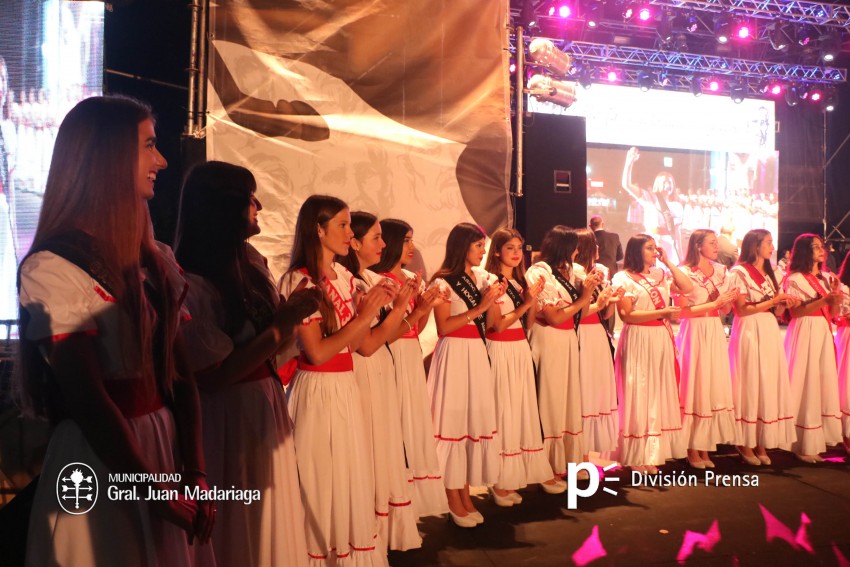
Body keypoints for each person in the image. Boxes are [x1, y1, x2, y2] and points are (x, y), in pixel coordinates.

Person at [16, 96, 214, 566]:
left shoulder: (153, 257)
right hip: (101, 457)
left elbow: (182, 380)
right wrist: (151, 491)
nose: (162, 161)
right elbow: (89, 401)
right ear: (108, 156)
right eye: (149, 145)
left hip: (156, 447)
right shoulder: (54, 267)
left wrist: (196, 471)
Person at [174, 161, 319, 567]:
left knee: (271, 519)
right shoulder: (194, 281)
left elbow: (273, 342)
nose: (259, 205)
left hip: (263, 403)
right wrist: (285, 322)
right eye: (249, 198)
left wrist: (289, 318)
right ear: (224, 207)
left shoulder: (251, 262)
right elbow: (215, 373)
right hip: (229, 416)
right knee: (241, 525)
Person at [279, 195, 392, 566]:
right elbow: (317, 352)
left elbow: (361, 345)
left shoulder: (343, 277)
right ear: (318, 229)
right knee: (319, 480)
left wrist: (373, 311)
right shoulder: (300, 280)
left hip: (345, 386)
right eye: (342, 226)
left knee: (346, 477)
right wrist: (364, 316)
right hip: (318, 390)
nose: (349, 234)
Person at [338, 211, 421, 552]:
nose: (383, 244)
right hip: (363, 371)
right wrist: (401, 307)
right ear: (354, 243)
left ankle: (382, 536)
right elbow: (368, 343)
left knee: (383, 446)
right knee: (369, 450)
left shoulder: (368, 281)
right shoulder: (355, 283)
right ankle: (367, 536)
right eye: (376, 237)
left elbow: (387, 336)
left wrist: (412, 309)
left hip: (380, 369)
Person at [371, 218, 450, 518]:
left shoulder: (408, 277)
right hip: (387, 352)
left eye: (411, 240)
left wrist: (425, 305)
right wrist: (414, 308)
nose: (412, 247)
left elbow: (416, 326)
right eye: (405, 240)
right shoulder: (376, 280)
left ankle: (411, 505)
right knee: (394, 425)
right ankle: (392, 504)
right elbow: (383, 330)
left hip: (410, 353)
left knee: (412, 422)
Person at [427, 222, 503, 528]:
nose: (483, 251)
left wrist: (493, 299)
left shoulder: (483, 278)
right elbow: (444, 327)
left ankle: (466, 494)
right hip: (455, 353)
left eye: (483, 245)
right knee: (453, 423)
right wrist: (480, 306)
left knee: (471, 422)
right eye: (477, 246)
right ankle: (450, 496)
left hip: (477, 353)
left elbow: (495, 322)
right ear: (462, 247)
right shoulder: (444, 281)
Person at [482, 227, 557, 506]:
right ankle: (497, 480)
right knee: (503, 411)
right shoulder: (491, 280)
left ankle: (512, 476)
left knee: (519, 409)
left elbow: (527, 324)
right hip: (499, 349)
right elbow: (497, 324)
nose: (515, 253)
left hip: (519, 349)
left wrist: (532, 300)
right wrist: (526, 303)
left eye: (519, 248)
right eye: (510, 248)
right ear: (498, 251)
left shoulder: (520, 281)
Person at [526, 226, 601, 483]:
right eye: (574, 247)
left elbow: (586, 303)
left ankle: (569, 460)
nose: (577, 252)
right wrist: (583, 299)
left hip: (570, 338)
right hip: (548, 338)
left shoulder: (574, 271)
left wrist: (595, 292)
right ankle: (547, 464)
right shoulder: (539, 272)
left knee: (569, 397)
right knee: (550, 397)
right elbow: (553, 316)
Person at [612, 234, 692, 473]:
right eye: (649, 248)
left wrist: (668, 262)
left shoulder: (660, 274)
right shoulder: (622, 278)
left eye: (655, 248)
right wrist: (662, 313)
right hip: (638, 337)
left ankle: (652, 451)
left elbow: (687, 287)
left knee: (656, 392)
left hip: (660, 337)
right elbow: (626, 315)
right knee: (639, 392)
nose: (654, 252)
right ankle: (636, 455)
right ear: (636, 251)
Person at [727, 229, 798, 465]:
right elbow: (742, 309)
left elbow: (774, 311)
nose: (772, 246)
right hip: (749, 328)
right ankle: (744, 441)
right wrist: (773, 301)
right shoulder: (739, 273)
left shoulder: (770, 274)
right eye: (768, 242)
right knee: (750, 381)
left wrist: (783, 303)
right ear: (755, 246)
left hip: (767, 328)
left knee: (766, 381)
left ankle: (761, 440)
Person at [674, 230, 739, 469]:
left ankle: (705, 446)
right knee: (696, 386)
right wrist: (714, 303)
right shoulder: (684, 273)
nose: (716, 247)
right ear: (698, 246)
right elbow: (681, 312)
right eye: (712, 243)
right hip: (694, 330)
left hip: (714, 328)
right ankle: (692, 447)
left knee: (711, 386)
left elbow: (725, 310)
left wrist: (727, 300)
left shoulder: (722, 271)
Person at [783, 233, 844, 463]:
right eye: (816, 247)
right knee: (805, 382)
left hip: (823, 331)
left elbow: (834, 313)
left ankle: (814, 441)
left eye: (822, 247)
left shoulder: (828, 278)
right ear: (804, 251)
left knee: (821, 383)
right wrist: (825, 300)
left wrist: (835, 298)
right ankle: (800, 442)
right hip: (805, 330)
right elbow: (796, 312)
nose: (822, 250)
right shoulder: (796, 279)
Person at [573, 228, 621, 458]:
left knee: (597, 389)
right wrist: (601, 302)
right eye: (594, 244)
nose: (599, 248)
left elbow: (605, 313)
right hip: (581, 332)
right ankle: (578, 453)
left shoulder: (600, 270)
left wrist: (610, 299)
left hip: (599, 333)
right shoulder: (574, 273)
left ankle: (589, 450)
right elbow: (579, 312)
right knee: (583, 388)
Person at [621, 147, 683, 264]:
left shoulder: (677, 206)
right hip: (652, 244)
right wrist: (629, 163)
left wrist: (680, 254)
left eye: (670, 182)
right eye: (664, 181)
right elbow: (626, 185)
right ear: (657, 183)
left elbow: (677, 232)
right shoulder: (648, 197)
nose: (667, 184)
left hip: (669, 245)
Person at [834, 251, 850, 454]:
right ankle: (846, 433)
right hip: (847, 333)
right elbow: (838, 313)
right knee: (847, 382)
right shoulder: (841, 286)